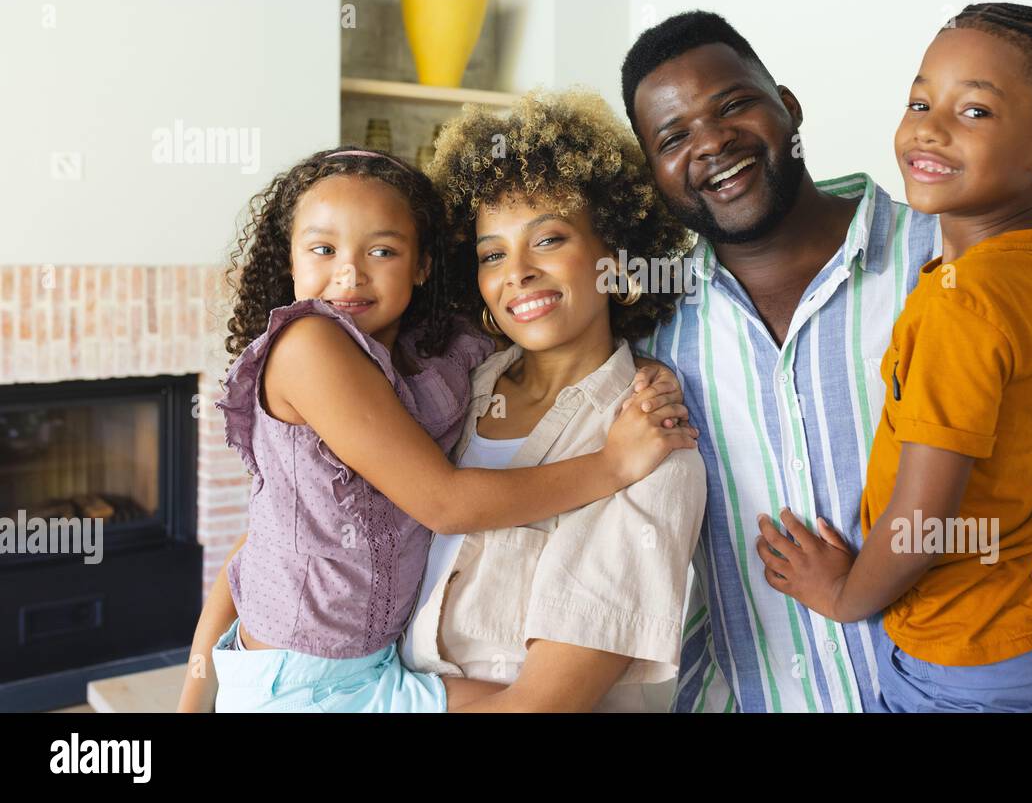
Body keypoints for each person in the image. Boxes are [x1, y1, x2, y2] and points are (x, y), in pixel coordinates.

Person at [621, 9, 1032, 713]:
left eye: (733, 104)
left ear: (787, 107)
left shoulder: (962, 258)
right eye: (673, 137)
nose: (711, 143)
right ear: (654, 170)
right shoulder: (652, 324)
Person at [175, 146, 696, 712]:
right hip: (300, 682)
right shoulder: (316, 345)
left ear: (423, 264)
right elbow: (443, 505)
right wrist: (612, 465)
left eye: (548, 240)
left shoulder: (442, 367)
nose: (348, 273)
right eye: (492, 254)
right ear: (290, 261)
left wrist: (644, 369)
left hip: (378, 670)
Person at [756, 2, 1032, 712]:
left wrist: (844, 593)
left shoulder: (963, 308)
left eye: (974, 111)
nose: (929, 126)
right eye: (920, 100)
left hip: (966, 642)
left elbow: (925, 520)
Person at [400, 88, 708, 712]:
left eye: (548, 240)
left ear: (618, 263)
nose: (517, 272)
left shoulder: (656, 451)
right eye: (492, 254)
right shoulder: (448, 395)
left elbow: (540, 707)